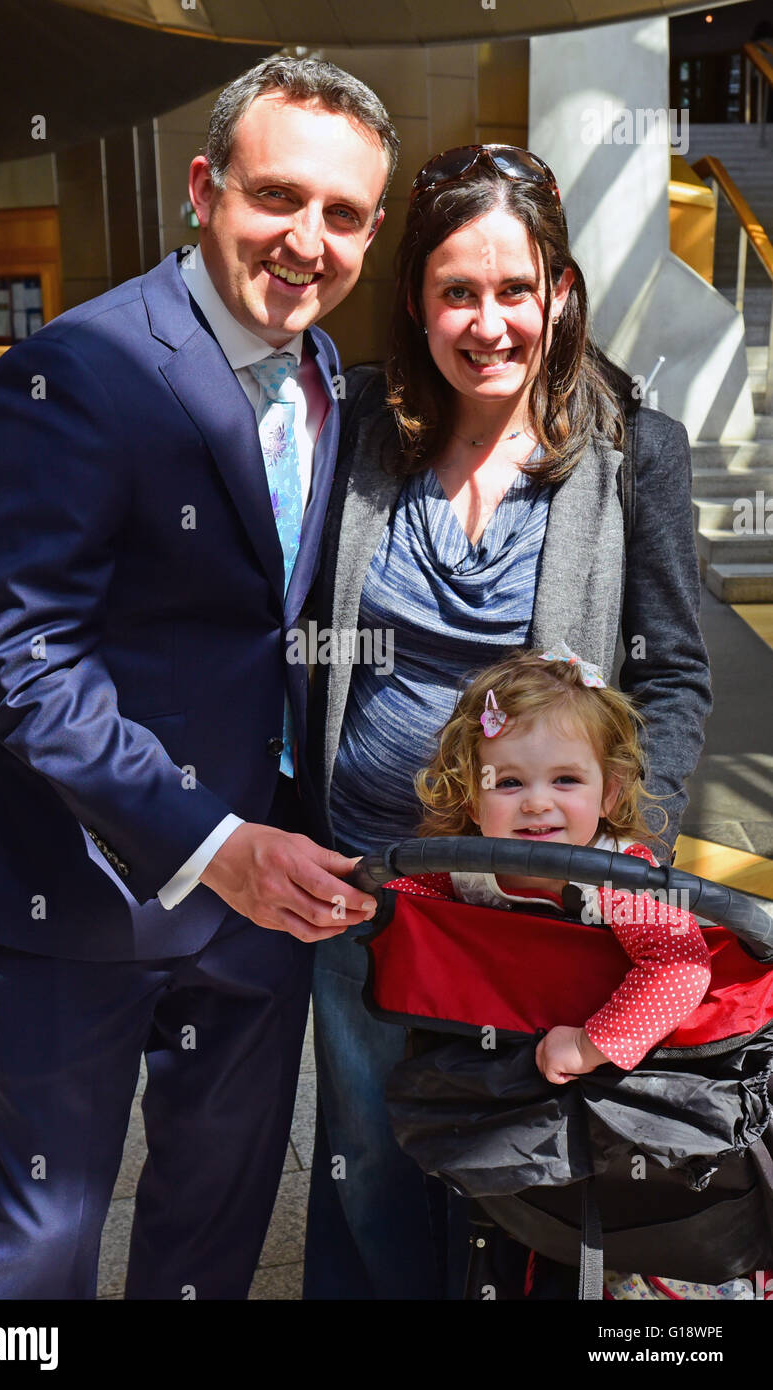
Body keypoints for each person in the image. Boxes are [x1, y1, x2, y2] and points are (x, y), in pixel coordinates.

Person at [0, 55, 397, 1300]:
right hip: (84, 881)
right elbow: (29, 671)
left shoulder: (334, 382)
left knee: (213, 1225)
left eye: (342, 214)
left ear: (372, 227)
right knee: (40, 1248)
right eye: (277, 198)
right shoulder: (74, 370)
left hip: (271, 893)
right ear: (203, 187)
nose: (307, 241)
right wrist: (212, 839)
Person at [303, 144, 712, 1299]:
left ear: (559, 291)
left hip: (541, 900)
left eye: (513, 289)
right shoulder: (363, 440)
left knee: (518, 1163)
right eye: (454, 292)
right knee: (371, 1150)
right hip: (366, 883)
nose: (487, 322)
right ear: (417, 302)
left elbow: (673, 671)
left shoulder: (635, 453)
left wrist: (632, 842)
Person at [383, 645, 755, 1302]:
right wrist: (365, 897)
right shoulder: (464, 866)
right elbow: (419, 902)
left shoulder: (619, 877)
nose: (536, 805)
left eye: (565, 781)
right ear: (471, 795)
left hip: (637, 1088)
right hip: (520, 1083)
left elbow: (678, 963)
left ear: (609, 792)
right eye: (509, 783)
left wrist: (588, 1042)